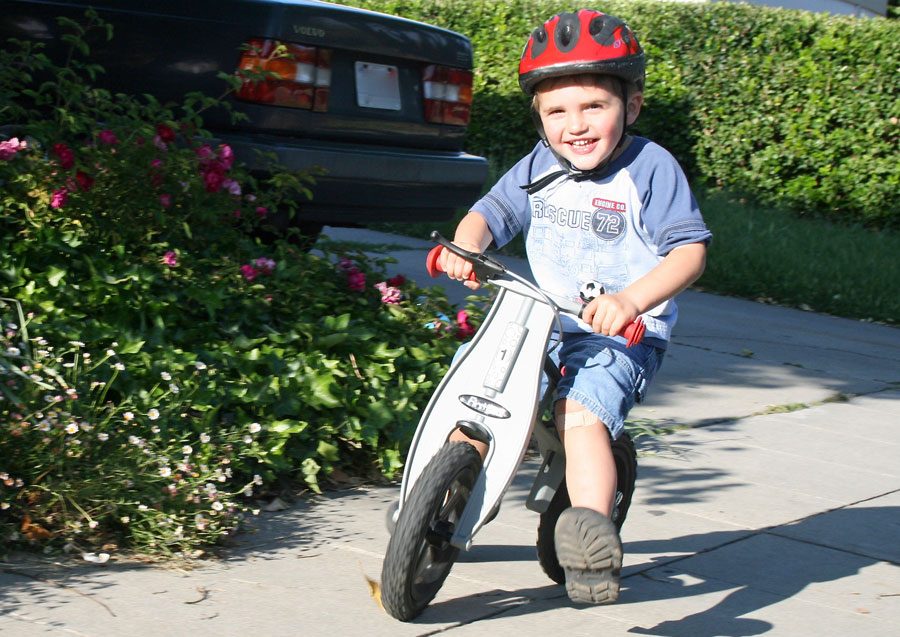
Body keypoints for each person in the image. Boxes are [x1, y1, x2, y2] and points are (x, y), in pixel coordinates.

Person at [437, 9, 712, 605]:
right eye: (557, 111)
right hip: (541, 320)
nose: (576, 125)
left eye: (594, 107)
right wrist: (467, 246)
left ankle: (590, 531)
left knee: (580, 415)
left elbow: (689, 253)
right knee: (476, 386)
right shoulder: (538, 167)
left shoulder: (649, 169)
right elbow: (489, 213)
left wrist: (631, 300)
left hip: (619, 334)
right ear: (538, 116)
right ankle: (439, 500)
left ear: (630, 107)